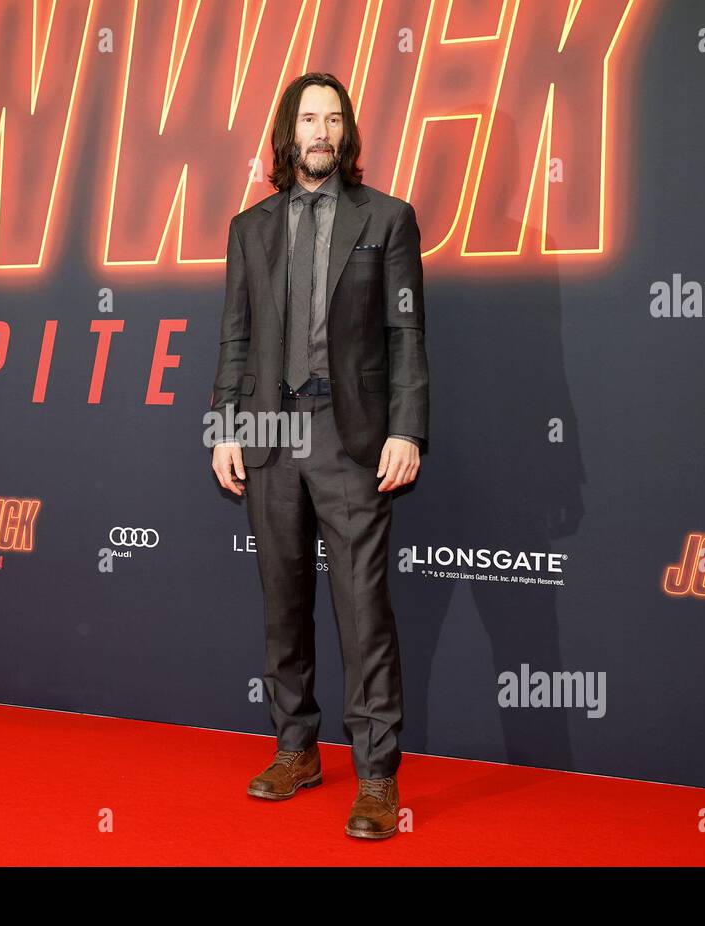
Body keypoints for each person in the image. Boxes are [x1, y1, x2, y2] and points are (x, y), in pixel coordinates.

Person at [209, 72, 429, 839]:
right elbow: (235, 337)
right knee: (283, 602)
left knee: (363, 609)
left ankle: (375, 776)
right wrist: (225, 427)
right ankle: (296, 747)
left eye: (334, 119)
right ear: (288, 132)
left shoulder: (388, 220)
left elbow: (405, 336)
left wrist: (408, 429)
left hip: (351, 436)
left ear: (347, 134)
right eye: (309, 118)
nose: (322, 131)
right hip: (270, 436)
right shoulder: (251, 228)